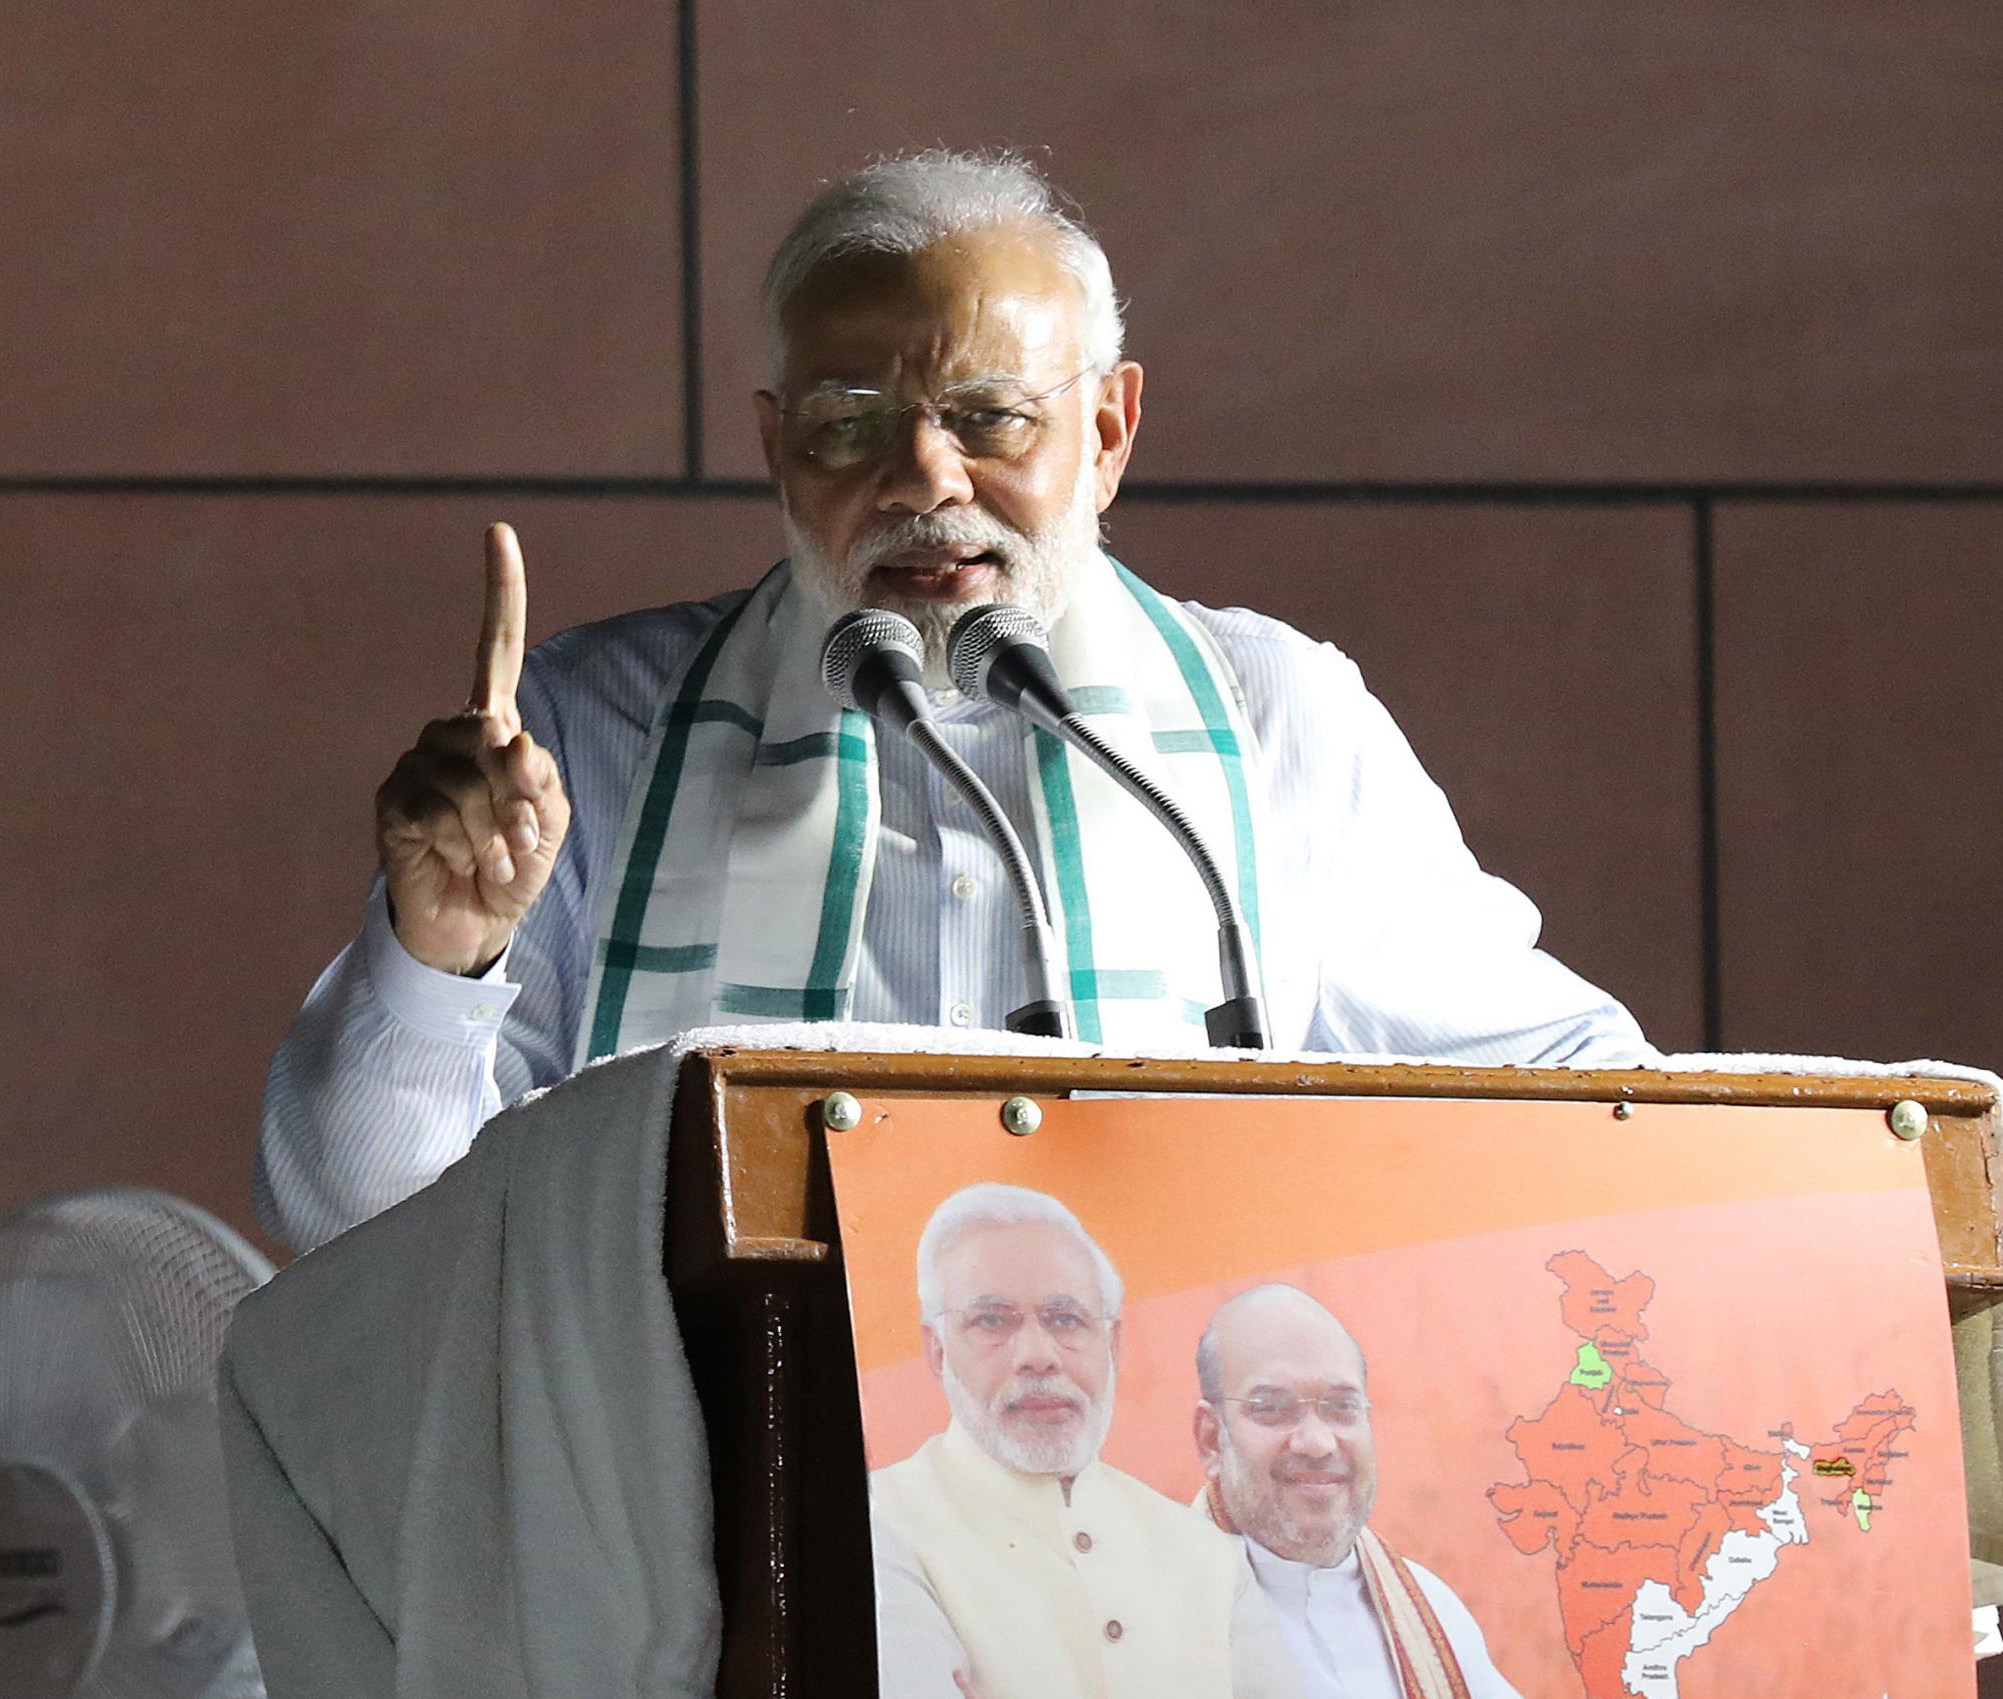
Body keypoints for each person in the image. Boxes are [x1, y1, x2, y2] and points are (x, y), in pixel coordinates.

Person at [255, 150, 1651, 1252]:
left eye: (991, 416)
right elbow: (360, 1226)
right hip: (720, 1545)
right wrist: (438, 960)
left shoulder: (1271, 718)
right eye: (849, 422)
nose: (924, 478)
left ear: (1106, 432)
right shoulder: (594, 733)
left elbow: (1572, 1099)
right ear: (776, 447)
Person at [872, 1184, 1354, 1699]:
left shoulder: (1204, 1555)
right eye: (992, 1321)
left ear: (1114, 1344)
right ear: (937, 1351)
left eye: (1067, 1320)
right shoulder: (879, 1520)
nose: (1038, 1355)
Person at [1193, 1284, 1585, 1699]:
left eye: (1341, 1408)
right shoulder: (1149, 1620)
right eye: (1273, 1409)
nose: (1316, 1442)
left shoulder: (1434, 1614)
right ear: (1211, 1440)